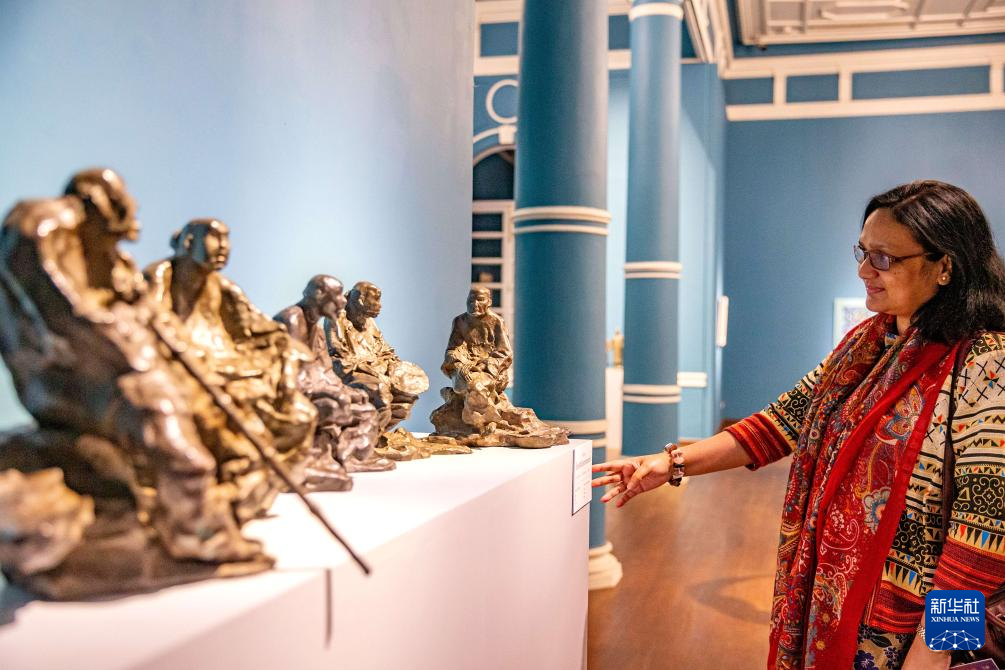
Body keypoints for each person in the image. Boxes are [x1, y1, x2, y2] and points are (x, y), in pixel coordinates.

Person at [593, 181, 1005, 670]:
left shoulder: (985, 361)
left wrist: (937, 649)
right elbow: (781, 421)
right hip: (833, 601)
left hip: (907, 632)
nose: (863, 270)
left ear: (945, 266)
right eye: (862, 252)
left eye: (884, 259)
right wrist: (671, 464)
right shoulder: (865, 344)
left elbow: (984, 528)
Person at [145, 218, 318, 502]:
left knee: (301, 413)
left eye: (227, 238)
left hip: (228, 365)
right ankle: (223, 485)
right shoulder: (161, 277)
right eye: (215, 237)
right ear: (189, 242)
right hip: (187, 372)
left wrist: (286, 369)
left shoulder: (223, 287)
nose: (224, 246)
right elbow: (152, 324)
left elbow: (266, 329)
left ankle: (256, 486)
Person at [274, 275, 389, 483]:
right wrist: (330, 392)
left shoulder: (317, 331)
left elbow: (325, 371)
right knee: (336, 405)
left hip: (312, 390)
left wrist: (346, 391)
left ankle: (349, 456)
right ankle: (315, 460)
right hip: (290, 396)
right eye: (337, 295)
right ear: (319, 295)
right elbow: (289, 373)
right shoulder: (291, 320)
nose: (342, 301)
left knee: (365, 408)